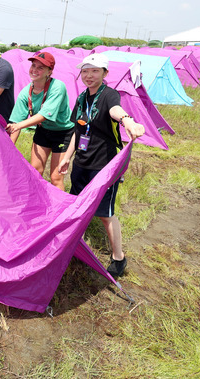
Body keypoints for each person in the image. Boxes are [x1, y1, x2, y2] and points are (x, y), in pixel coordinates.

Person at [58, 53, 145, 277]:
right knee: (77, 204)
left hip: (103, 165)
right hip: (81, 162)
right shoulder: (81, 98)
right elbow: (78, 130)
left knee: (105, 213)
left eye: (95, 71)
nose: (89, 75)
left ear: (105, 73)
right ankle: (73, 245)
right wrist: (67, 156)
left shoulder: (109, 95)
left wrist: (127, 120)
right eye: (85, 71)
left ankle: (119, 257)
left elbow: (114, 110)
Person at [6, 52, 74, 190]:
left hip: (63, 133)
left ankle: (60, 210)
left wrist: (18, 125)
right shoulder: (26, 92)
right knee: (35, 172)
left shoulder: (57, 87)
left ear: (50, 71)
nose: (34, 70)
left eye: (40, 68)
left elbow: (44, 115)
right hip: (43, 131)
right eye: (33, 66)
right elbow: (15, 123)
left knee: (56, 177)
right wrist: (8, 148)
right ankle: (35, 205)